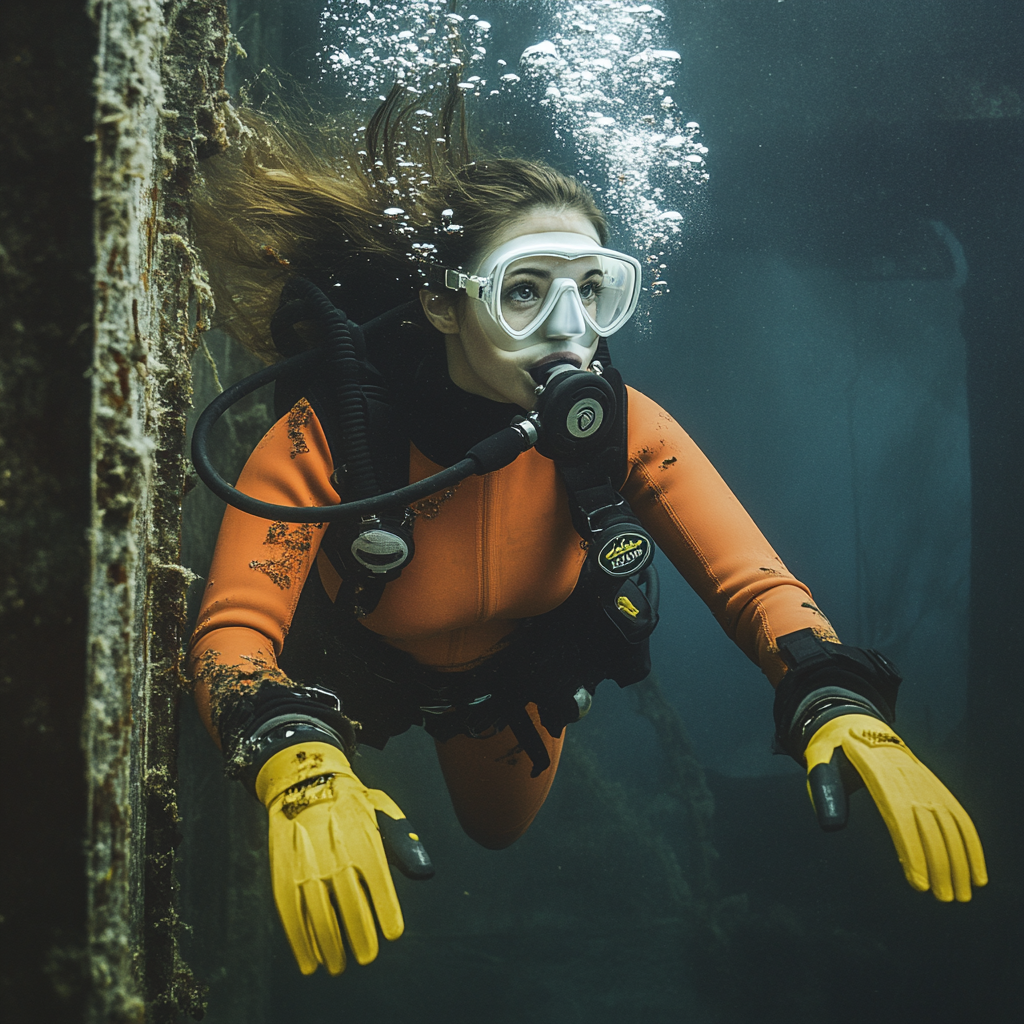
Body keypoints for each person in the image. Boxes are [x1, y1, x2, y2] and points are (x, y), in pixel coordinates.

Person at [187, 86, 987, 977]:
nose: (569, 333)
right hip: (352, 682)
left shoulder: (623, 425)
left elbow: (755, 584)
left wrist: (836, 699)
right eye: (525, 291)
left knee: (497, 832)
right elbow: (235, 633)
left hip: (515, 688)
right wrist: (294, 759)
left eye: (591, 290)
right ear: (446, 303)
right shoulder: (328, 432)